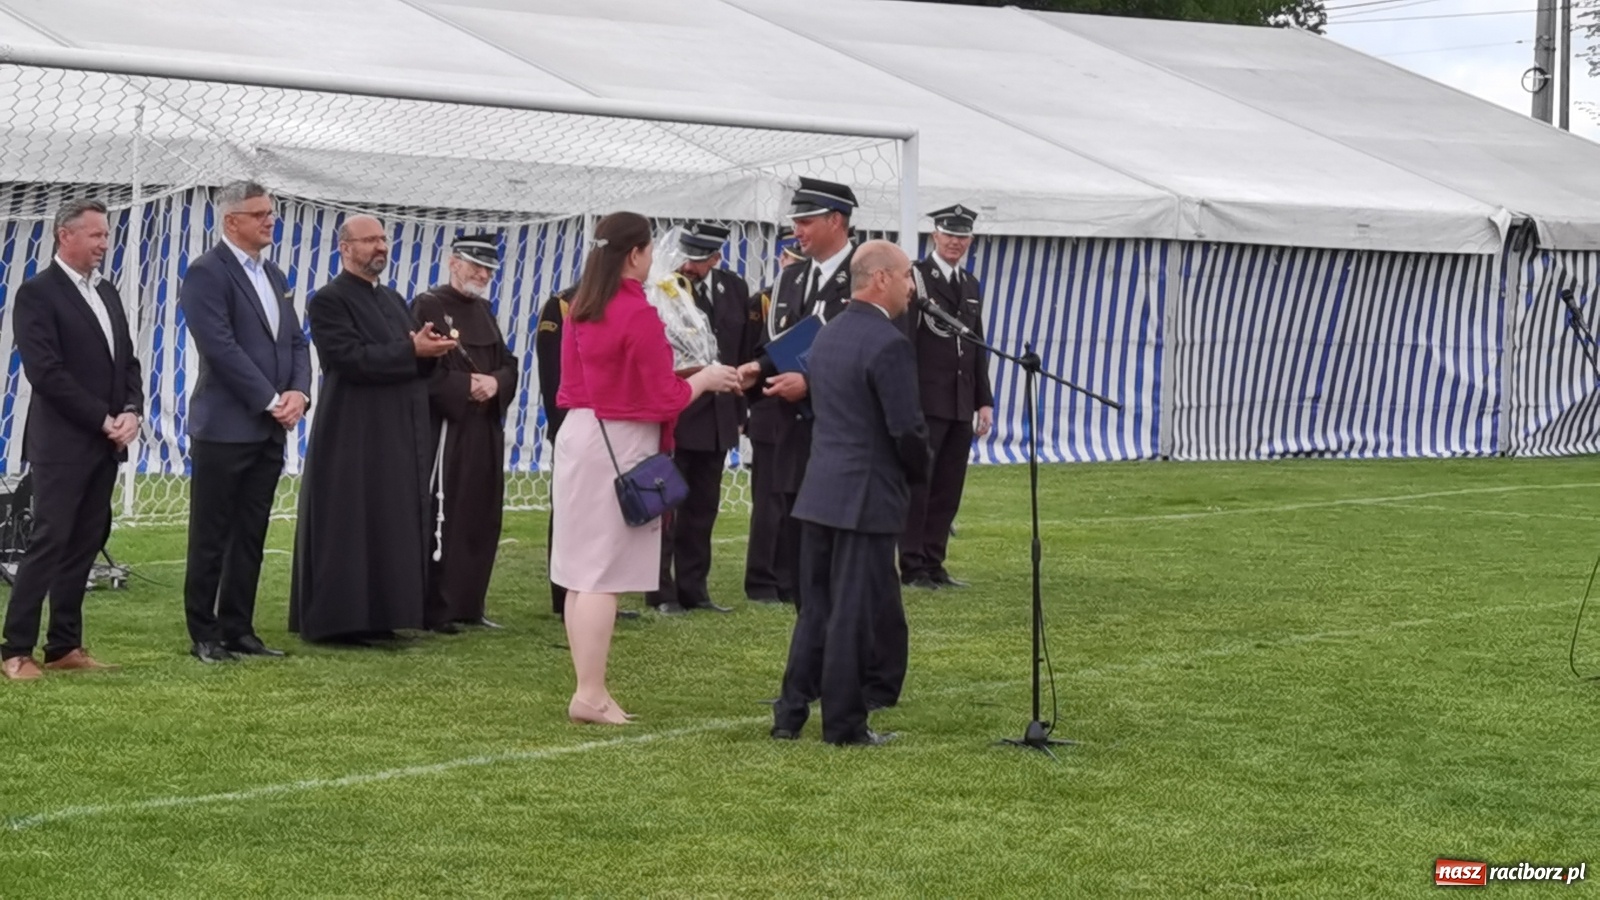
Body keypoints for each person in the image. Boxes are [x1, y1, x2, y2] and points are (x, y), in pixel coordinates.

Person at [550, 211, 740, 725]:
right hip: (620, 439)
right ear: (635, 254)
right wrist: (706, 379)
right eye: (650, 249)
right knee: (599, 574)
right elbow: (665, 397)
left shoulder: (582, 306)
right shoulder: (635, 310)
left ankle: (589, 687)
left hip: (582, 432)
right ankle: (589, 692)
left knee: (581, 571)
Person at [771, 241, 929, 745]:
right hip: (865, 495)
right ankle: (843, 724)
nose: (911, 286)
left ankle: (790, 713)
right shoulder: (889, 343)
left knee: (816, 608)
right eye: (906, 275)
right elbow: (906, 428)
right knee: (851, 613)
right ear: (880, 278)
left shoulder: (831, 333)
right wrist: (916, 472)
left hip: (821, 489)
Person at [289, 215, 457, 645]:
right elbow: (347, 358)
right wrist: (410, 349)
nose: (380, 247)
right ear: (345, 248)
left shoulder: (395, 299)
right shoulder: (328, 300)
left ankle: (385, 614)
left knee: (390, 517)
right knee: (353, 519)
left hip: (397, 428)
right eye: (369, 241)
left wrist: (428, 351)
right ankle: (344, 621)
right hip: (353, 431)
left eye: (383, 239)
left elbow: (405, 353)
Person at [2, 199, 141, 680]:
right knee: (50, 540)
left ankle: (64, 645)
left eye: (106, 235)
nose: (105, 243)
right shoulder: (37, 294)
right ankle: (14, 651)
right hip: (62, 443)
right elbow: (47, 372)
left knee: (86, 540)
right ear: (66, 235)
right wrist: (103, 419)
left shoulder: (108, 293)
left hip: (106, 443)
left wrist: (131, 412)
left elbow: (128, 361)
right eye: (97, 235)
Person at [179, 181, 310, 663]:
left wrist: (300, 393)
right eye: (258, 214)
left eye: (270, 212)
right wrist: (271, 398)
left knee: (251, 533)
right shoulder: (205, 273)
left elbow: (296, 341)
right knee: (211, 534)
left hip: (269, 428)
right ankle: (204, 633)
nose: (269, 220)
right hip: (224, 427)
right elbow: (219, 347)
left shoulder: (274, 274)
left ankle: (239, 628)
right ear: (231, 221)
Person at [740, 178, 859, 606]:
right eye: (795, 222)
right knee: (793, 549)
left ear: (836, 220)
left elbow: (869, 357)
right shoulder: (790, 280)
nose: (797, 232)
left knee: (830, 562)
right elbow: (784, 344)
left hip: (838, 438)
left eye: (806, 221)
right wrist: (757, 369)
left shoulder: (865, 276)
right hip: (789, 436)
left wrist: (810, 384)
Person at [648, 222, 756, 615]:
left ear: (716, 257)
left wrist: (740, 410)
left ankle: (695, 588)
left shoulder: (735, 288)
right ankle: (661, 590)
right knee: (666, 506)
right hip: (681, 408)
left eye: (700, 258)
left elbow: (740, 350)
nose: (691, 266)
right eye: (687, 256)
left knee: (703, 509)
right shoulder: (666, 288)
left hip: (717, 416)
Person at [411, 234, 517, 634]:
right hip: (448, 429)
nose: (483, 274)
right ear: (453, 262)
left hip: (485, 426)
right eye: (475, 265)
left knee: (481, 512)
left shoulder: (485, 310)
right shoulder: (429, 305)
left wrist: (495, 384)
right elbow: (423, 370)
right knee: (444, 513)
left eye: (489, 267)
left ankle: (471, 603)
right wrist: (463, 388)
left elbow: (508, 362)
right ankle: (436, 607)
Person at [900, 205, 994, 590]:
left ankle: (935, 560)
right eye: (949, 234)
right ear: (934, 236)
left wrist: (983, 399)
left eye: (962, 236)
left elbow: (977, 345)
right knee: (920, 483)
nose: (956, 242)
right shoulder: (917, 279)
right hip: (926, 398)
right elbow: (906, 342)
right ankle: (912, 564)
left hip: (959, 399)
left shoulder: (970, 284)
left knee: (949, 485)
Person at [536, 287, 641, 623]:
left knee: (604, 514)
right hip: (578, 426)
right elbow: (552, 374)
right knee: (573, 512)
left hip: (614, 427)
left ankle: (599, 591)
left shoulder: (625, 303)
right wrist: (561, 429)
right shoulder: (564, 304)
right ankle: (565, 593)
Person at [744, 227, 805, 605]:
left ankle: (786, 578)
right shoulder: (764, 301)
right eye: (790, 259)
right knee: (768, 504)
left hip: (801, 410)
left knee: (792, 504)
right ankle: (761, 579)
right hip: (769, 408)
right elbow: (751, 352)